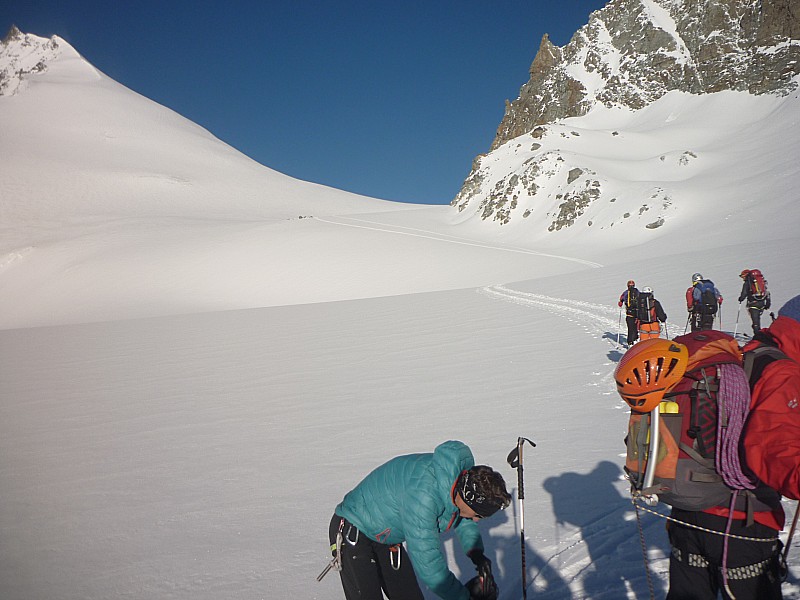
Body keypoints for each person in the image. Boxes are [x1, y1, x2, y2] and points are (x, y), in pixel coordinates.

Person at [329, 440, 511, 600]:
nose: (477, 521)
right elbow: (430, 569)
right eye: (478, 515)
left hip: (385, 535)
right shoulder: (423, 499)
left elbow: (462, 515)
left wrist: (476, 553)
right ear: (468, 499)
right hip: (353, 528)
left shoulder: (457, 481)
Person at [738, 269, 771, 335]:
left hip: (753, 303)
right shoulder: (760, 281)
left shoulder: (748, 283)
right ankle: (759, 334)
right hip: (762, 303)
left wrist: (740, 299)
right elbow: (767, 292)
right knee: (757, 320)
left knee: (755, 322)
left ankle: (758, 336)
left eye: (743, 276)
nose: (742, 278)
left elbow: (743, 294)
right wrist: (768, 303)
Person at [618, 279, 640, 347]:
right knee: (636, 328)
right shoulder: (637, 292)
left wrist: (621, 303)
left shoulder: (626, 293)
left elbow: (621, 300)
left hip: (629, 314)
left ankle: (630, 342)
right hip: (637, 314)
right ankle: (636, 340)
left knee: (630, 328)